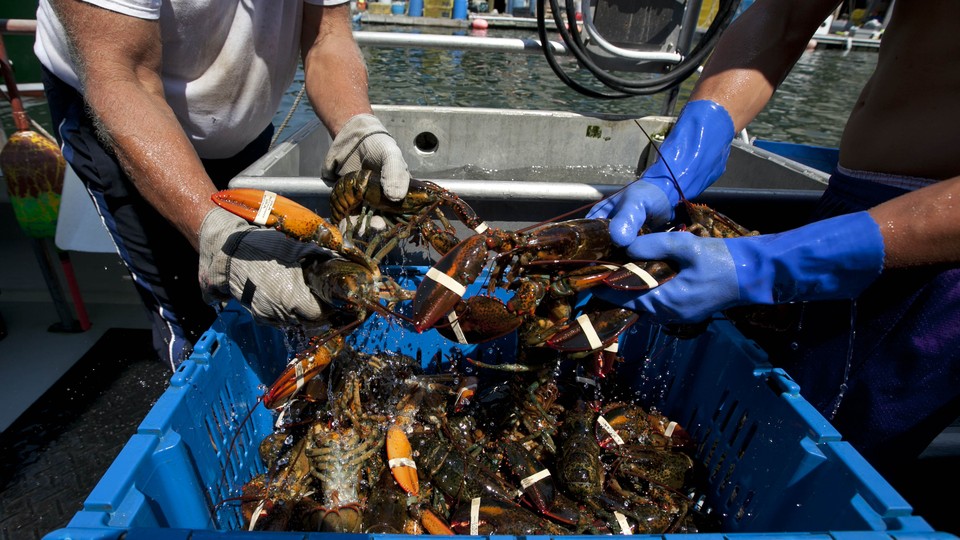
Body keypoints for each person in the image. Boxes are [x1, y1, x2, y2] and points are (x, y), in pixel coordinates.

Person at [588, 0, 960, 479]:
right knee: (767, 439)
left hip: (935, 255)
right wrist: (680, 164)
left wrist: (766, 265)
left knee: (827, 467)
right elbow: (785, 13)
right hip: (846, 205)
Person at [34, 0, 410, 369]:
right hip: (124, 118)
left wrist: (356, 127)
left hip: (241, 122)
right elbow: (121, 76)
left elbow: (326, 35)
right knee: (189, 313)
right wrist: (213, 228)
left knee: (276, 287)